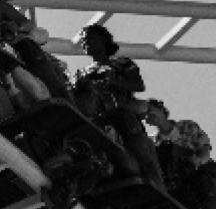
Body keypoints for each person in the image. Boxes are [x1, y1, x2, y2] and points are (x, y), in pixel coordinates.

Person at [70, 25, 164, 189]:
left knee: (145, 156)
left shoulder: (122, 63)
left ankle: (159, 192)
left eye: (90, 38)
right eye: (83, 41)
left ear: (103, 40)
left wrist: (112, 82)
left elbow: (138, 85)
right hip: (98, 119)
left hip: (124, 117)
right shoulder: (81, 73)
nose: (85, 43)